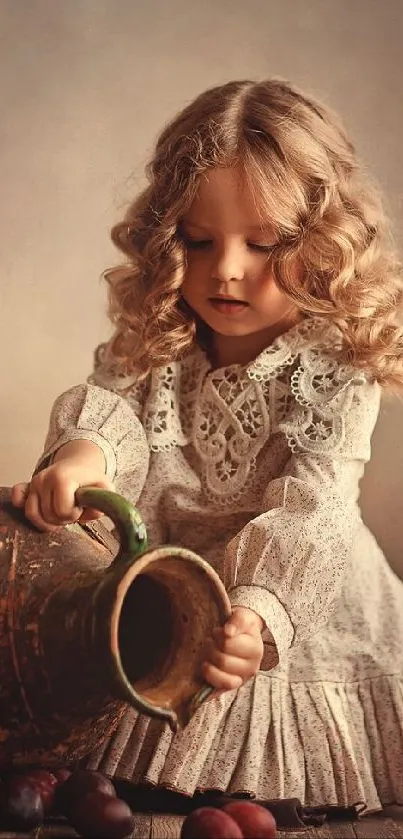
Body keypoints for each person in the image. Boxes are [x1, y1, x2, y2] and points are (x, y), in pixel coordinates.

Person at [12, 78, 403, 813]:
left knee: (265, 780)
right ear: (166, 239)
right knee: (115, 770)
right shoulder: (155, 343)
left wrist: (258, 610)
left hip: (290, 606)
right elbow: (112, 416)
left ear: (322, 246)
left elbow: (312, 506)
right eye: (198, 240)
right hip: (171, 606)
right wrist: (80, 458)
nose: (225, 269)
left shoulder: (331, 367)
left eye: (263, 245)